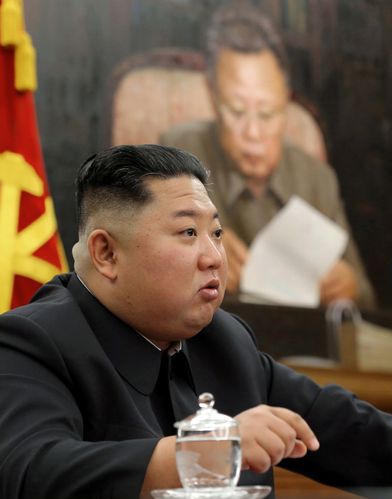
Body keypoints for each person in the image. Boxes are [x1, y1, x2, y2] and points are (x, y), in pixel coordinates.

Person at [0, 144, 392, 499]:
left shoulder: (224, 341)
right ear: (105, 253)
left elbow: (343, 429)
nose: (214, 258)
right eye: (187, 235)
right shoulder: (20, 344)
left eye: (217, 234)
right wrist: (204, 455)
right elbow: (24, 477)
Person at [160, 4, 375, 308]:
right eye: (236, 111)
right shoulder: (177, 157)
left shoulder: (316, 179)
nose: (253, 133)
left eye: (267, 113)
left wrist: (348, 285)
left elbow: (365, 296)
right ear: (211, 95)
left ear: (286, 103)